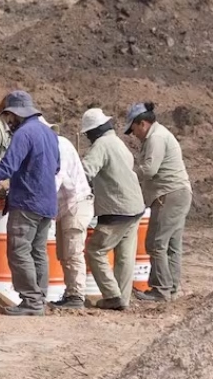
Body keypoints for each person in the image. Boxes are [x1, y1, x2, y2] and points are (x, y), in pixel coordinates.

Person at [0, 91, 59, 317]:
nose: (9, 121)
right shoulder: (50, 133)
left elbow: (7, 167)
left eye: (10, 116)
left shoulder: (24, 133)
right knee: (38, 252)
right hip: (47, 202)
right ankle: (40, 298)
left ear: (15, 114)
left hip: (27, 202)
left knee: (19, 251)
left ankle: (31, 301)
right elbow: (56, 167)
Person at [125, 102, 192, 302]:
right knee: (172, 245)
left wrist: (127, 176)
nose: (133, 134)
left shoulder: (156, 138)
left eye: (133, 129)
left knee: (156, 243)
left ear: (142, 123)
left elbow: (149, 169)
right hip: (178, 193)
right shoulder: (158, 135)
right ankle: (170, 289)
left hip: (169, 194)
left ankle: (160, 290)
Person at [80, 108, 145, 311]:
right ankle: (122, 299)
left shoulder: (101, 145)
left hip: (117, 209)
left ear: (94, 130)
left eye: (88, 133)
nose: (88, 137)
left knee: (95, 250)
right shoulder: (118, 143)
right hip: (135, 206)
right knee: (125, 256)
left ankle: (112, 296)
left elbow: (86, 171)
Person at [40, 117, 94, 310]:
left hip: (76, 205)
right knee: (64, 253)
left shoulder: (60, 147)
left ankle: (76, 296)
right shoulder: (54, 145)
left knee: (73, 251)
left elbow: (56, 179)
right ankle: (71, 293)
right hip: (67, 206)